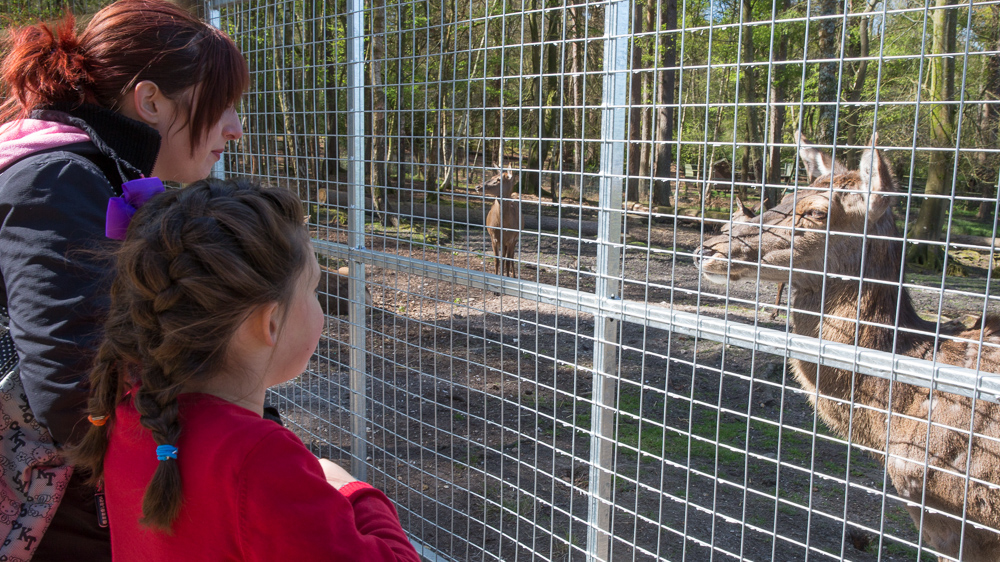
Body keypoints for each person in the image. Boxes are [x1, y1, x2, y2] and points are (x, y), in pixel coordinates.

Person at [0, 0, 247, 559]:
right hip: (58, 520)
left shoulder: (94, 174)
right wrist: (230, 462)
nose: (236, 128)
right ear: (151, 101)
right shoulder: (58, 180)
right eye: (222, 104)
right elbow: (75, 392)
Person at [71, 178, 420, 561]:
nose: (319, 308)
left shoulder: (131, 413)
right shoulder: (260, 461)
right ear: (269, 323)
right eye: (314, 290)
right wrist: (353, 491)